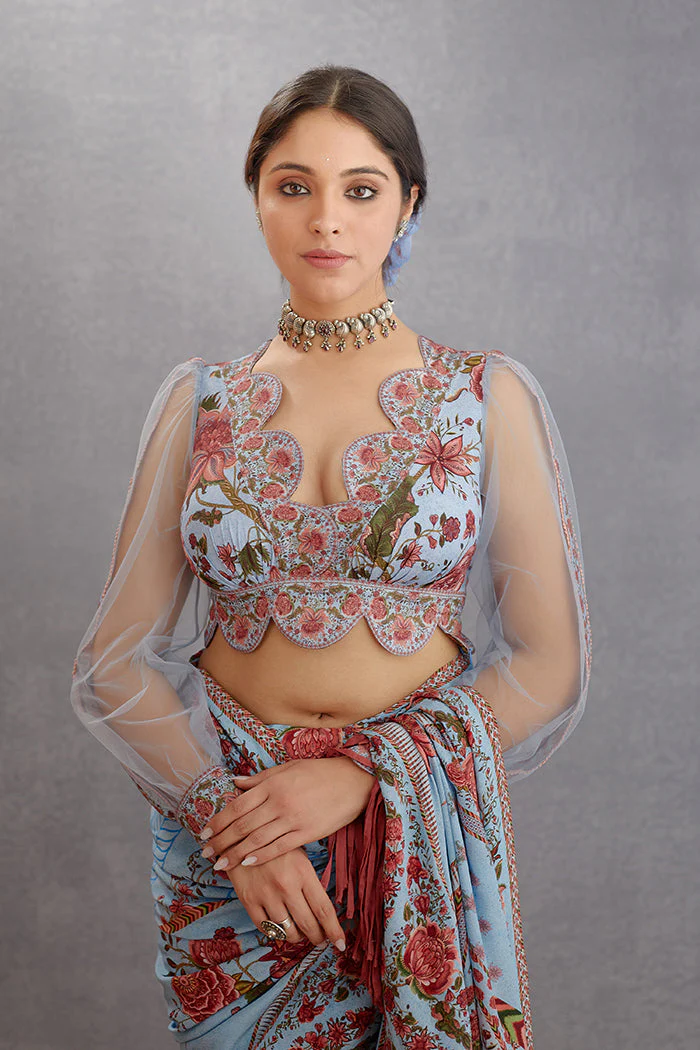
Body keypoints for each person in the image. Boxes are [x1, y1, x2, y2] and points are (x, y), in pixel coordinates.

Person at [70, 64, 591, 1049]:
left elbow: (548, 662)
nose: (327, 220)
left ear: (407, 204)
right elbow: (113, 661)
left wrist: (363, 778)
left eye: (360, 189)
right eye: (293, 185)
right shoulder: (201, 402)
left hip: (408, 834)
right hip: (230, 847)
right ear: (257, 197)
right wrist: (231, 824)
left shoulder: (482, 398)